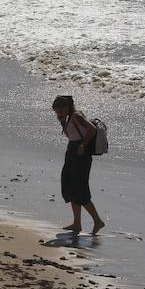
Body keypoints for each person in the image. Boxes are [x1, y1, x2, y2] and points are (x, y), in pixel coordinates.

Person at [52, 95, 105, 235]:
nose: (59, 113)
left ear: (68, 106)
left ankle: (97, 221)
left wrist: (82, 145)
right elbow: (71, 136)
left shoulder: (76, 115)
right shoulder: (68, 118)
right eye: (57, 111)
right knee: (69, 186)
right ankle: (77, 223)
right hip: (72, 152)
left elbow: (92, 129)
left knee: (80, 189)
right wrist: (63, 122)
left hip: (81, 155)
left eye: (61, 110)